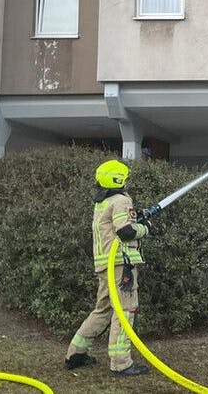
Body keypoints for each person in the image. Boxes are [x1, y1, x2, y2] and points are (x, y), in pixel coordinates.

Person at [64, 159, 152, 376]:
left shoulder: (101, 203)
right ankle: (121, 363)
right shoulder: (121, 200)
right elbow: (125, 232)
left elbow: (114, 226)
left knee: (103, 309)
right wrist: (145, 227)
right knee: (125, 310)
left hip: (105, 264)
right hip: (122, 264)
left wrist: (136, 216)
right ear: (118, 179)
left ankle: (76, 353)